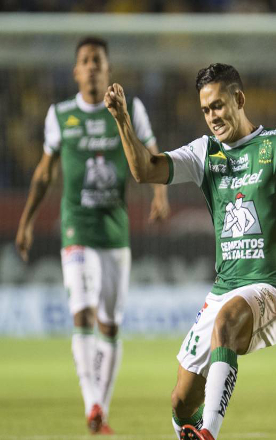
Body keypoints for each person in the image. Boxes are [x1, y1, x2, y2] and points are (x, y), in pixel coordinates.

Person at [104, 63, 276, 440]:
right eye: (206, 110)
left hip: (269, 290)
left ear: (239, 99)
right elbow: (144, 170)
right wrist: (123, 119)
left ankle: (209, 433)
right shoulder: (204, 152)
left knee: (227, 321)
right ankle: (192, 430)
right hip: (224, 289)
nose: (212, 116)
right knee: (180, 401)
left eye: (218, 105)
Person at [15, 36, 169, 435]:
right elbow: (45, 173)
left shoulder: (131, 109)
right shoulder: (60, 114)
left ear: (108, 69)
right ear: (76, 72)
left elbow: (153, 155)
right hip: (77, 229)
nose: (92, 67)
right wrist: (27, 221)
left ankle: (102, 405)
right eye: (85, 60)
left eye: (98, 60)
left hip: (115, 231)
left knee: (110, 324)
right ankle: (92, 404)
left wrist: (159, 194)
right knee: (82, 313)